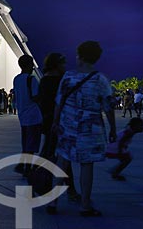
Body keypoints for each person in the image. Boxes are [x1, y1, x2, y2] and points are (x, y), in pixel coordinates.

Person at [48, 41, 117, 217]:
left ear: (79, 56)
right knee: (86, 166)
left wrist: (56, 122)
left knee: (62, 162)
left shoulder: (69, 77)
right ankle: (85, 205)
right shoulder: (100, 79)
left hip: (67, 126)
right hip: (90, 129)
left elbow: (59, 102)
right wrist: (113, 129)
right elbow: (108, 108)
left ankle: (53, 202)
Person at [38, 53, 80, 202]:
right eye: (62, 63)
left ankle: (42, 185)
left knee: (49, 155)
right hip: (58, 123)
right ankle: (69, 191)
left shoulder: (44, 80)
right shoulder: (59, 81)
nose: (65, 66)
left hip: (48, 123)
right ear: (56, 65)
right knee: (63, 157)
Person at [13, 55, 43, 176]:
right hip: (33, 116)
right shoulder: (31, 79)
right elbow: (35, 97)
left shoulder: (16, 79)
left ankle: (24, 164)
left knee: (26, 142)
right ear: (29, 65)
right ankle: (27, 166)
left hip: (23, 115)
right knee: (32, 143)